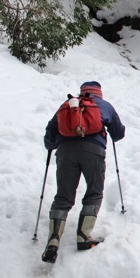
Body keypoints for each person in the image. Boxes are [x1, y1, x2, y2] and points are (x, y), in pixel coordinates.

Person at [41, 81, 125, 263]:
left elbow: (50, 131)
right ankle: (83, 236)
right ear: (99, 93)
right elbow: (118, 134)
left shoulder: (68, 106)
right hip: (93, 152)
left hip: (65, 152)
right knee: (94, 192)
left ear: (81, 93)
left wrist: (51, 146)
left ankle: (53, 242)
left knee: (63, 197)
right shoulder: (104, 106)